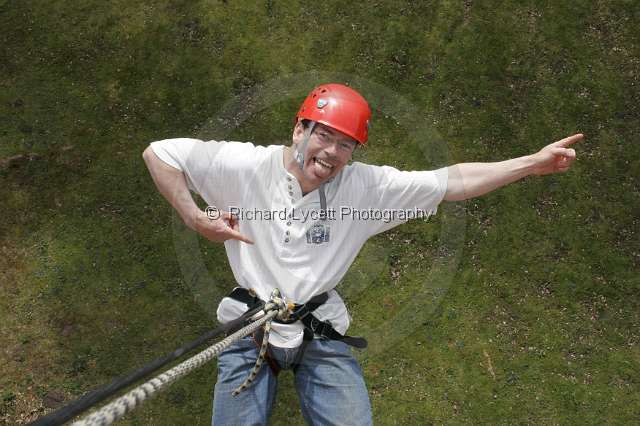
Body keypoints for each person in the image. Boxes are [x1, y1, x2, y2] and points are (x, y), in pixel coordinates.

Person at [142, 83, 581, 425]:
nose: (332, 152)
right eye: (324, 135)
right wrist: (195, 218)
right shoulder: (243, 167)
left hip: (320, 331)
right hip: (250, 327)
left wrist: (530, 163)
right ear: (299, 130)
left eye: (346, 144)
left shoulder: (365, 188)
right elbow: (160, 154)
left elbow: (452, 182)